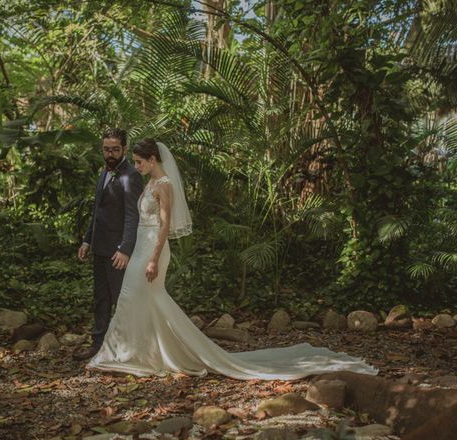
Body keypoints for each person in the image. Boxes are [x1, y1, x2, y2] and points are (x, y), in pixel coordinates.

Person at [87, 139, 377, 380]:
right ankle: (135, 352)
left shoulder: (163, 185)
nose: (136, 167)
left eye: (139, 162)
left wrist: (153, 258)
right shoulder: (150, 182)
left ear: (152, 159)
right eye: (135, 162)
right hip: (140, 245)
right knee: (135, 297)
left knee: (143, 295)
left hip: (153, 249)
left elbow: (164, 225)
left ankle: (146, 352)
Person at [74, 128, 144, 361]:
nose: (110, 153)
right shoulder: (103, 173)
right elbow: (98, 212)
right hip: (99, 248)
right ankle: (98, 345)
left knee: (121, 300)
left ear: (124, 148)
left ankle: (127, 349)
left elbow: (133, 216)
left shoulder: (131, 175)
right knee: (100, 299)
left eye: (115, 149)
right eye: (106, 149)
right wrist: (87, 240)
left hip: (118, 252)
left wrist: (125, 248)